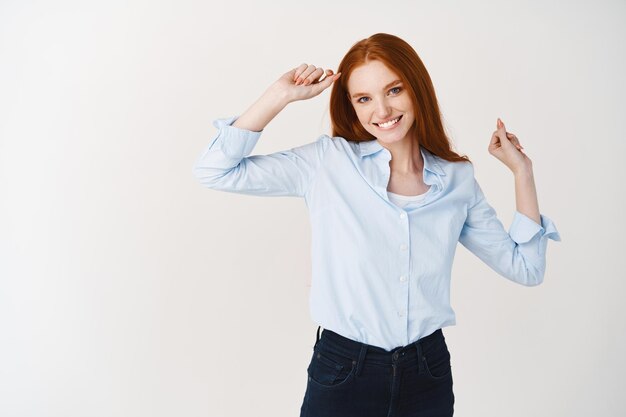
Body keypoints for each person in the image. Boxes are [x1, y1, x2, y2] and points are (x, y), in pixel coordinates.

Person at [192, 33, 561, 417]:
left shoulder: (457, 179)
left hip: (427, 375)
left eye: (394, 90)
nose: (382, 110)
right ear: (351, 107)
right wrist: (279, 96)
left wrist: (523, 172)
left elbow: (526, 268)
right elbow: (214, 171)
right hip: (343, 372)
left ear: (417, 89)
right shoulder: (328, 163)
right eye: (364, 98)